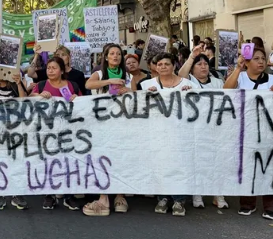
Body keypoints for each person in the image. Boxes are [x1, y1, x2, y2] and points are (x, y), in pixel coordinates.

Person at [224, 46, 273, 220]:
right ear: (247, 61)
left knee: (270, 167)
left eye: (262, 58)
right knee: (247, 167)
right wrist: (238, 69)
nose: (260, 62)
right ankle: (247, 203)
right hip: (246, 130)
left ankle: (271, 205)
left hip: (270, 131)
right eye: (256, 58)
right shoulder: (240, 77)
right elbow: (226, 91)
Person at [81, 44, 133, 216]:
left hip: (122, 120)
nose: (115, 56)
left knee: (121, 156)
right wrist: (109, 82)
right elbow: (88, 84)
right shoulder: (101, 73)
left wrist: (128, 90)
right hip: (102, 120)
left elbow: (135, 94)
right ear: (106, 57)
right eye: (112, 53)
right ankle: (104, 197)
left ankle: (120, 197)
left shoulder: (128, 75)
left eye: (118, 54)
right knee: (103, 156)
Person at [141, 53, 193, 216]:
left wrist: (190, 94)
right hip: (157, 133)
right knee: (160, 164)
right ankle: (162, 197)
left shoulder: (187, 84)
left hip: (181, 133)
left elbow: (197, 106)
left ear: (174, 66)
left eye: (167, 64)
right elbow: (139, 107)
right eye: (160, 64)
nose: (163, 67)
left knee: (179, 165)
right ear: (155, 67)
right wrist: (145, 96)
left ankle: (179, 200)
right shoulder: (146, 85)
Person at [177, 46, 229, 210]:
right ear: (192, 68)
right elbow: (180, 76)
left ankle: (217, 193)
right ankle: (197, 192)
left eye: (205, 64)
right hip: (194, 128)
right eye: (199, 64)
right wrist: (192, 56)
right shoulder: (188, 82)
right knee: (197, 160)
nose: (203, 66)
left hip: (215, 128)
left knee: (216, 160)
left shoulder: (217, 82)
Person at [30, 56, 82, 212]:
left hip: (68, 130)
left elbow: (83, 101)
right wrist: (38, 95)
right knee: (48, 161)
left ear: (61, 70)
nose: (50, 71)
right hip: (47, 131)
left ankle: (68, 195)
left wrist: (76, 99)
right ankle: (49, 194)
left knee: (68, 161)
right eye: (48, 68)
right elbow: (29, 98)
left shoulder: (72, 85)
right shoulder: (41, 85)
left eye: (53, 68)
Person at [0, 71, 30, 211]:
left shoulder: (15, 86)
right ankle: (0, 193)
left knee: (16, 162)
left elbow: (24, 101)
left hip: (15, 132)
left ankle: (16, 194)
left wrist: (19, 83)